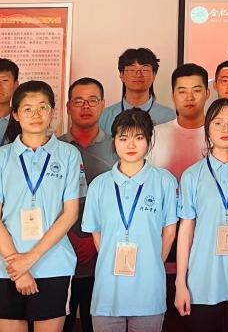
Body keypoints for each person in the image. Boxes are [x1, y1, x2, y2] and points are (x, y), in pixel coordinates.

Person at [0, 80, 84, 332]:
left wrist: (30, 259)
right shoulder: (0, 157)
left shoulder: (69, 154)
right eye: (27, 109)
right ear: (15, 114)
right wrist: (17, 266)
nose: (36, 114)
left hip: (53, 264)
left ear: (53, 111)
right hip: (5, 267)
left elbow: (70, 214)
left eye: (43, 107)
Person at [82, 109, 179, 332]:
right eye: (123, 138)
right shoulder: (99, 185)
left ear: (149, 140)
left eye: (139, 137)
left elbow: (170, 231)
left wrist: (153, 262)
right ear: (114, 141)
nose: (131, 145)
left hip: (149, 290)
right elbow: (96, 233)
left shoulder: (164, 181)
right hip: (107, 291)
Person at [175, 98, 228, 331]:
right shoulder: (192, 175)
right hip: (203, 281)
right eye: (218, 123)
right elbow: (186, 230)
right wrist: (180, 283)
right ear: (207, 130)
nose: (226, 129)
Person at [60, 78, 118, 332]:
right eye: (79, 101)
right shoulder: (55, 148)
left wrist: (94, 241)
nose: (86, 106)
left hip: (104, 252)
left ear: (103, 105)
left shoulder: (118, 147)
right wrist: (69, 237)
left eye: (92, 100)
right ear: (67, 106)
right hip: (62, 250)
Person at [148, 64, 211, 178]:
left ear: (207, 93)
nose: (189, 97)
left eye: (196, 90)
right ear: (173, 96)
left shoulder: (222, 135)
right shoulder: (154, 135)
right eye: (182, 92)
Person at [100, 48, 175, 134]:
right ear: (121, 75)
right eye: (132, 70)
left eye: (145, 70)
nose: (138, 74)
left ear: (154, 75)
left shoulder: (167, 116)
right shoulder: (105, 116)